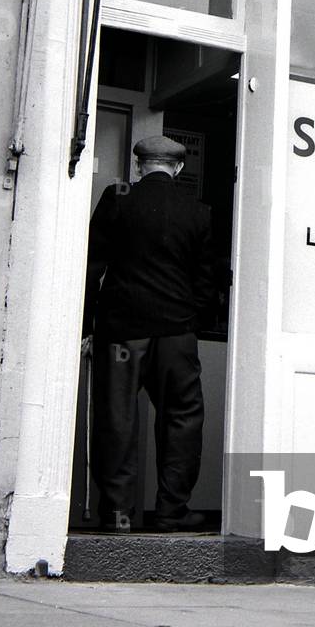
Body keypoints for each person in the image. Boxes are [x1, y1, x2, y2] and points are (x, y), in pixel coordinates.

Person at [82, 134, 214, 533]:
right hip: (176, 334)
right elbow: (206, 282)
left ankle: (117, 516)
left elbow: (91, 266)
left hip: (122, 332)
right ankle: (172, 512)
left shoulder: (117, 198)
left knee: (117, 420)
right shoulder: (198, 211)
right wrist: (193, 323)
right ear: (178, 168)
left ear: (139, 167)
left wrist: (87, 325)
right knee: (182, 420)